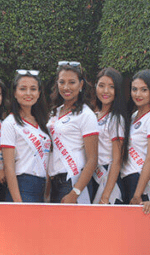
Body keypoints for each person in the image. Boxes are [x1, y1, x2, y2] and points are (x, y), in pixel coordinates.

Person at [47, 61, 99, 203]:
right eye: (62, 82)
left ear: (81, 84)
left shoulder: (86, 115)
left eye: (72, 82)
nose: (66, 87)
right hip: (54, 182)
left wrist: (75, 192)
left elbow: (93, 159)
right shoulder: (55, 112)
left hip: (72, 182)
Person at [1, 69, 51, 203]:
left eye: (33, 89)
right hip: (22, 187)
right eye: (23, 89)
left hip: (41, 186)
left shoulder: (42, 123)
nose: (28, 93)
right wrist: (18, 202)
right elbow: (9, 167)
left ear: (39, 93)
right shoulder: (10, 123)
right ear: (15, 93)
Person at [118, 69, 150, 205]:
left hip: (140, 181)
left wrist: (138, 193)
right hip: (125, 176)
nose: (138, 94)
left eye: (144, 90)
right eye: (134, 89)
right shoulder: (134, 116)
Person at [93, 67, 127, 204]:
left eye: (111, 87)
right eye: (101, 86)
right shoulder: (93, 116)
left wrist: (106, 195)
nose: (105, 91)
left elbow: (117, 159)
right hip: (93, 176)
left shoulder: (116, 119)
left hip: (107, 178)